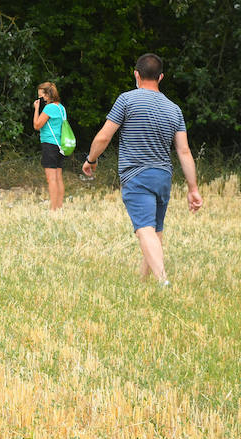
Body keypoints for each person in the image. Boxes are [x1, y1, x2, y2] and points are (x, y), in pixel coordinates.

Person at [82, 54, 202, 286]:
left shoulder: (127, 100)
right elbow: (184, 151)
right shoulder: (174, 109)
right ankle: (143, 282)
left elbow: (104, 136)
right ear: (161, 77)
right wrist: (193, 188)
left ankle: (163, 281)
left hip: (137, 176)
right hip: (163, 177)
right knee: (155, 231)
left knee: (144, 230)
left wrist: (91, 159)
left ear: (136, 75)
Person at [32, 82, 67, 212]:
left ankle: (53, 209)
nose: (41, 99)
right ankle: (59, 206)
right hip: (60, 145)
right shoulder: (61, 108)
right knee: (58, 177)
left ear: (47, 95)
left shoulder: (49, 108)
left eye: (41, 96)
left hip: (50, 145)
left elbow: (37, 125)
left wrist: (36, 109)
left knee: (51, 178)